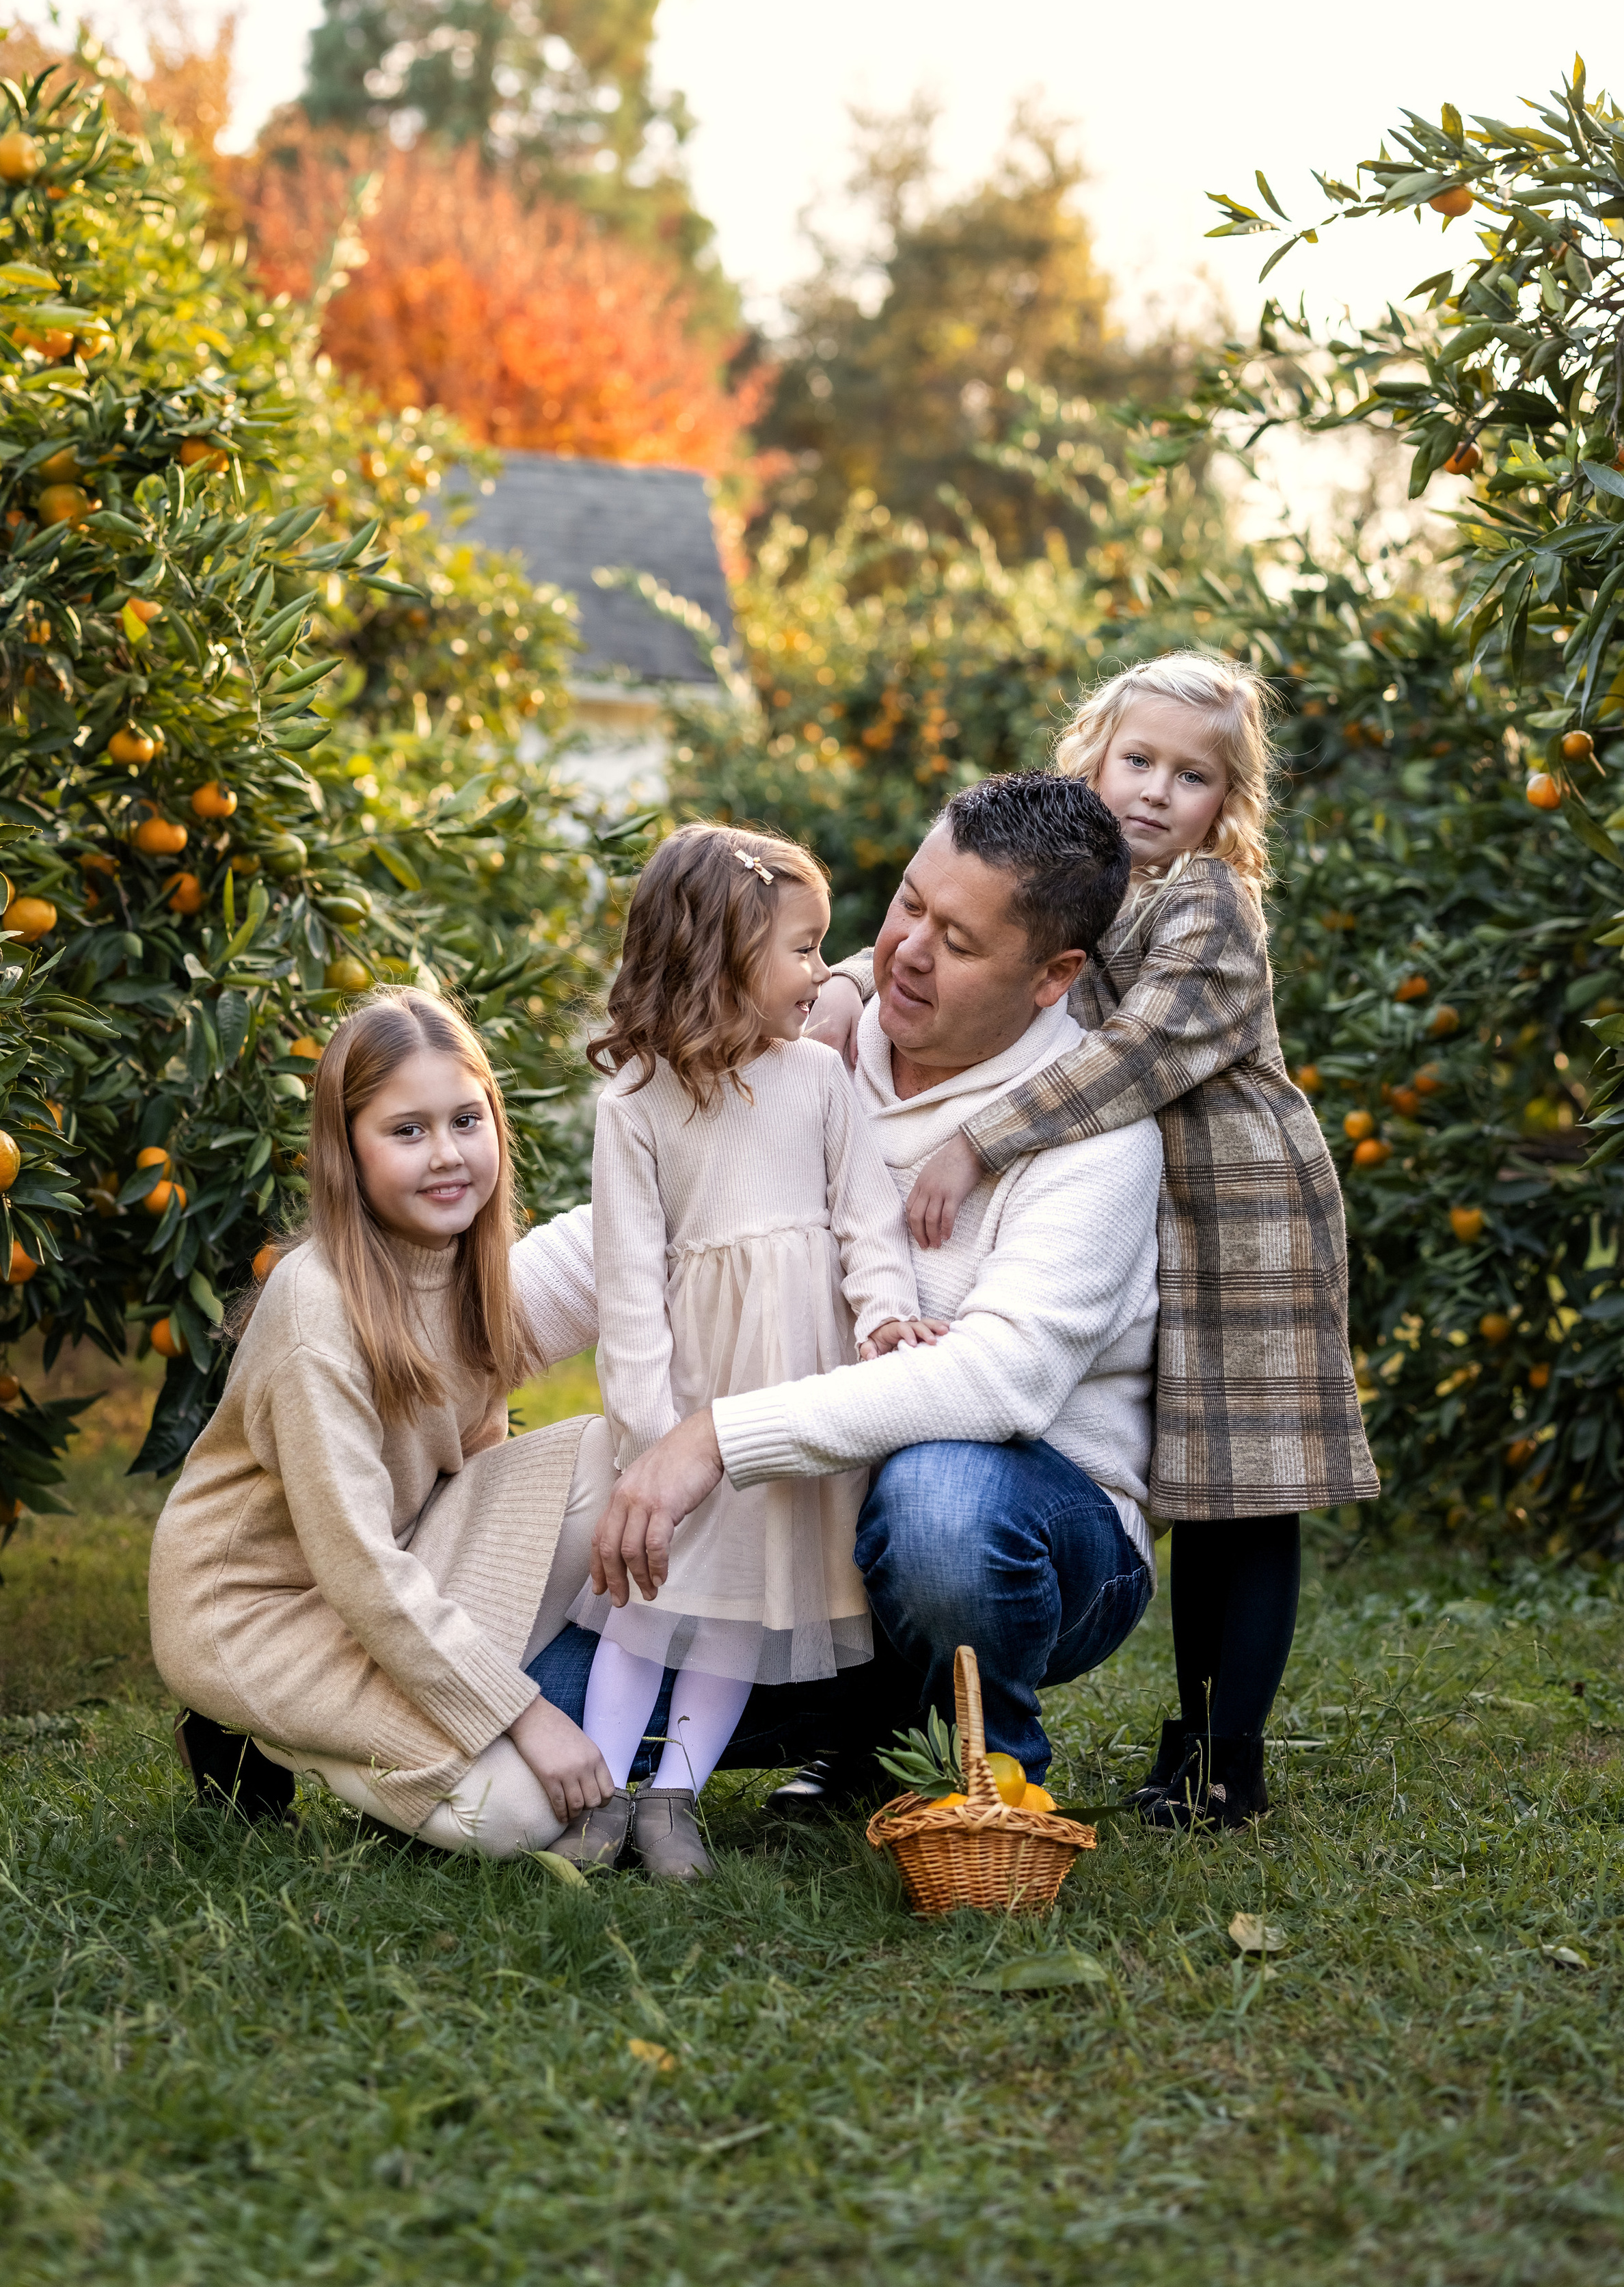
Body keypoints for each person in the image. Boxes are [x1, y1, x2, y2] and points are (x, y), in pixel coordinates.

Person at [811, 653, 1378, 1830]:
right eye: (1139, 760)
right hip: (1146, 1199)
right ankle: (944, 1730)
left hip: (1240, 1216)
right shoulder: (1097, 886)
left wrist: (984, 1140)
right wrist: (836, 986)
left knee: (1240, 1499)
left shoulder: (1208, 904)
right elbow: (982, 936)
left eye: (1195, 776)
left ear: (1231, 803)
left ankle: (1223, 1756)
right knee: (1178, 1473)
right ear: (1093, 755)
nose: (1159, 792)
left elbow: (1138, 1054)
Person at [544, 772, 1165, 1801]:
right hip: (799, 1526)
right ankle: (862, 1721)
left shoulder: (1095, 1137)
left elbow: (997, 1382)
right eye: (910, 904)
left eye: (958, 943)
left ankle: (981, 1777)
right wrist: (395, 1330)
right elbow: (629, 1243)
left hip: (1032, 1533)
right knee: (546, 1701)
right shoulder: (804, 1044)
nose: (906, 954)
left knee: (940, 1502)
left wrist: (711, 1439)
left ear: (1053, 976)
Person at [149, 988, 619, 1858]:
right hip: (267, 1612)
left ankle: (421, 1737)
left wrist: (487, 1640)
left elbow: (477, 1473)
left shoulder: (468, 1267)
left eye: (465, 1121)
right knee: (522, 1820)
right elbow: (354, 1563)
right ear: (347, 1151)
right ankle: (256, 1731)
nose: (446, 1156)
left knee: (603, 1457)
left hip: (386, 1571)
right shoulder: (316, 1309)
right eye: (407, 1131)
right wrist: (524, 1713)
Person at [551, 823, 936, 1881]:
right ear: (720, 954)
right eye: (805, 950)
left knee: (732, 1609)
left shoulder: (819, 1078)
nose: (826, 973)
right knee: (650, 1601)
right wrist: (650, 1439)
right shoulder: (634, 1103)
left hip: (794, 1390)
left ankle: (674, 1797)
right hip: (691, 1393)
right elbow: (629, 1287)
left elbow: (868, 1224)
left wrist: (885, 1319)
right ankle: (601, 1790)